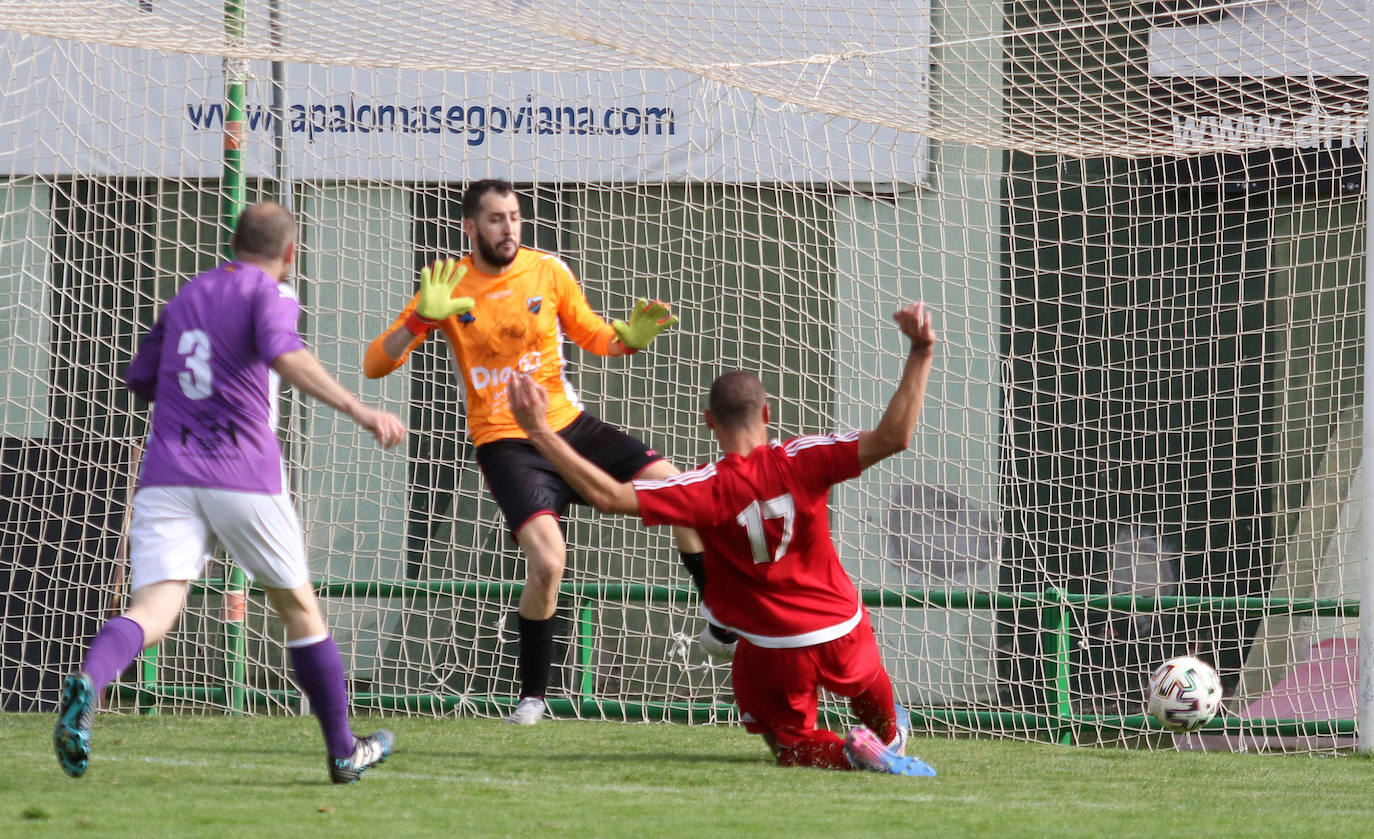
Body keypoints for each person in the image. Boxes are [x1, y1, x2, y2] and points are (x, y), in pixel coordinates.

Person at [53, 202, 406, 785]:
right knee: (300, 611)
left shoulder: (188, 294)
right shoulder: (269, 295)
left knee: (154, 610)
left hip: (167, 474)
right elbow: (282, 351)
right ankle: (344, 751)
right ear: (289, 255)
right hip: (241, 473)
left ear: (233, 242)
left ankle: (90, 683)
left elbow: (141, 377)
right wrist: (358, 408)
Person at [507, 302, 940, 776]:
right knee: (881, 713)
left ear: (710, 422)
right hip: (843, 629)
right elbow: (895, 436)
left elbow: (610, 496)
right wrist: (919, 350)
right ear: (768, 413)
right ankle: (885, 737)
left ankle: (851, 754)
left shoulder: (702, 488)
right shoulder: (805, 458)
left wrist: (540, 432)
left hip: (772, 647)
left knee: (791, 747)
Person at [364, 178, 733, 726]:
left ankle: (720, 619)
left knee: (680, 490)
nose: (508, 227)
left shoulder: (548, 270)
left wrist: (628, 337)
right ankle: (533, 696)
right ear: (470, 227)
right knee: (547, 564)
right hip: (506, 442)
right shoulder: (449, 285)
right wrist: (421, 317)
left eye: (514, 216)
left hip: (569, 427)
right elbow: (376, 363)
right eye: (495, 219)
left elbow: (595, 336)